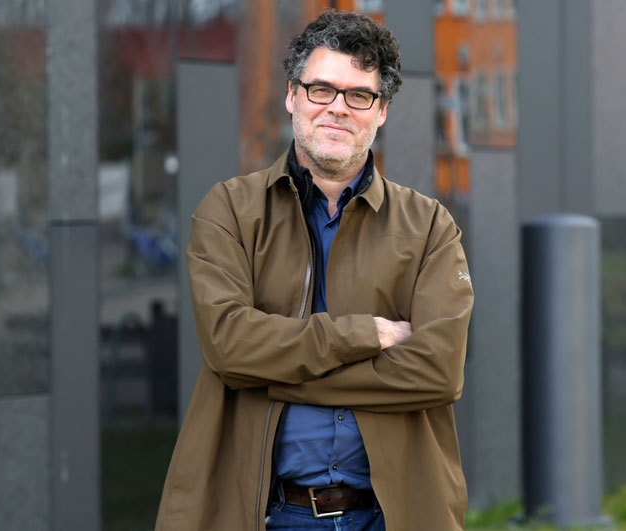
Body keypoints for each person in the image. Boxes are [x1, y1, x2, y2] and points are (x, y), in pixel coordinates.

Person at [155, 10, 473, 531]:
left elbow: (438, 371)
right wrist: (363, 335)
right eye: (321, 89)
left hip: (391, 517)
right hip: (269, 515)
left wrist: (279, 374)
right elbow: (229, 346)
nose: (337, 108)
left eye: (359, 95)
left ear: (382, 111)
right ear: (292, 96)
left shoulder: (430, 227)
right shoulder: (229, 211)